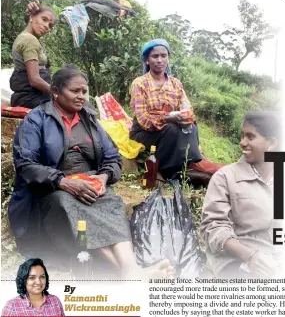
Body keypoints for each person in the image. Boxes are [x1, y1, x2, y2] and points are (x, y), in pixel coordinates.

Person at [9, 65, 172, 279]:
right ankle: (129, 273)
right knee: (67, 204)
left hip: (88, 184)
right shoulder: (36, 119)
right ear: (56, 91)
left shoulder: (91, 121)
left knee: (111, 202)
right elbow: (25, 163)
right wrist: (63, 182)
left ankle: (130, 269)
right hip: (50, 190)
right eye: (75, 91)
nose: (81, 97)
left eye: (84, 92)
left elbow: (112, 157)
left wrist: (103, 177)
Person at [200, 111, 283, 278]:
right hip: (238, 264)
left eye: (250, 137)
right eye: (243, 136)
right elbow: (213, 227)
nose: (242, 142)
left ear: (271, 144)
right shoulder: (225, 177)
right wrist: (250, 256)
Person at [130, 38, 202, 180]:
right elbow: (144, 120)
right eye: (155, 56)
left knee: (192, 128)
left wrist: (186, 117)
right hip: (144, 132)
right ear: (147, 60)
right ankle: (162, 170)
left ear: (168, 58)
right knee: (172, 130)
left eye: (164, 56)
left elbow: (186, 106)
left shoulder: (176, 84)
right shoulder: (140, 83)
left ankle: (186, 165)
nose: (159, 60)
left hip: (170, 127)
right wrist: (168, 118)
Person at [10, 0, 56, 109]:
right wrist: (57, 94)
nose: (46, 26)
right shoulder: (29, 39)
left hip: (29, 96)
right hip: (31, 97)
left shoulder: (27, 37)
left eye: (50, 25)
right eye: (44, 19)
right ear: (32, 17)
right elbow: (34, 80)